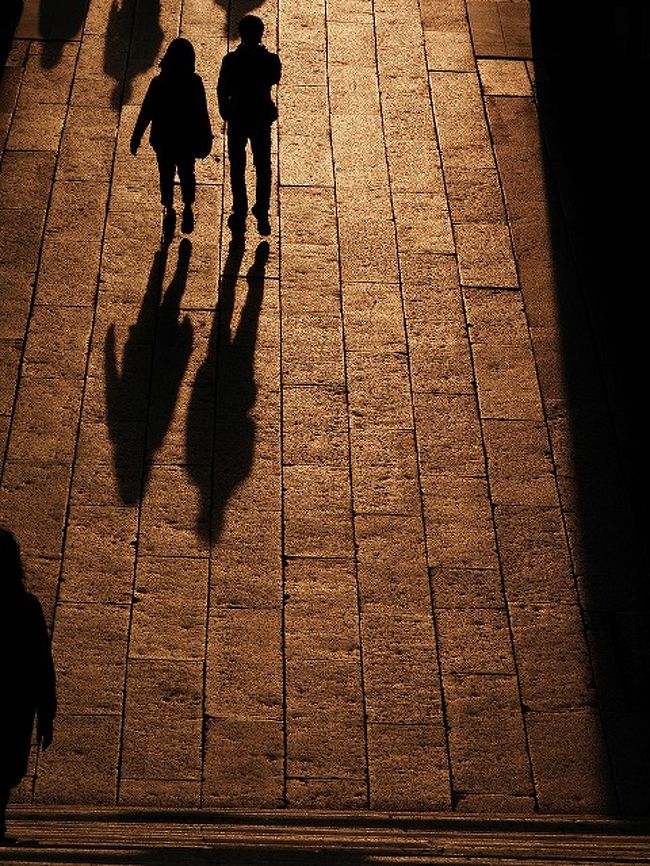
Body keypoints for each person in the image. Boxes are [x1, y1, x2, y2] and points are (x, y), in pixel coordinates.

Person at [0, 529, 56, 846]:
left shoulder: (26, 607)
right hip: (15, 702)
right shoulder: (26, 607)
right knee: (6, 766)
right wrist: (47, 712)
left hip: (15, 700)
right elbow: (40, 663)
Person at [131, 37, 213, 240]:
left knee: (165, 174)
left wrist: (136, 137)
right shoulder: (194, 82)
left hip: (164, 139)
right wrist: (205, 137)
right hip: (186, 139)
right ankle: (188, 206)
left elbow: (146, 112)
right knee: (187, 173)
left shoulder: (158, 82)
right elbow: (202, 113)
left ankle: (168, 208)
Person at [217, 15, 281, 236]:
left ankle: (240, 207)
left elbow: (222, 89)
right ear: (261, 33)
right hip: (261, 117)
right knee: (263, 165)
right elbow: (274, 78)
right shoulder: (271, 60)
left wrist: (225, 111)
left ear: (241, 34)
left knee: (237, 165)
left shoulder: (230, 60)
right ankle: (261, 209)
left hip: (238, 117)